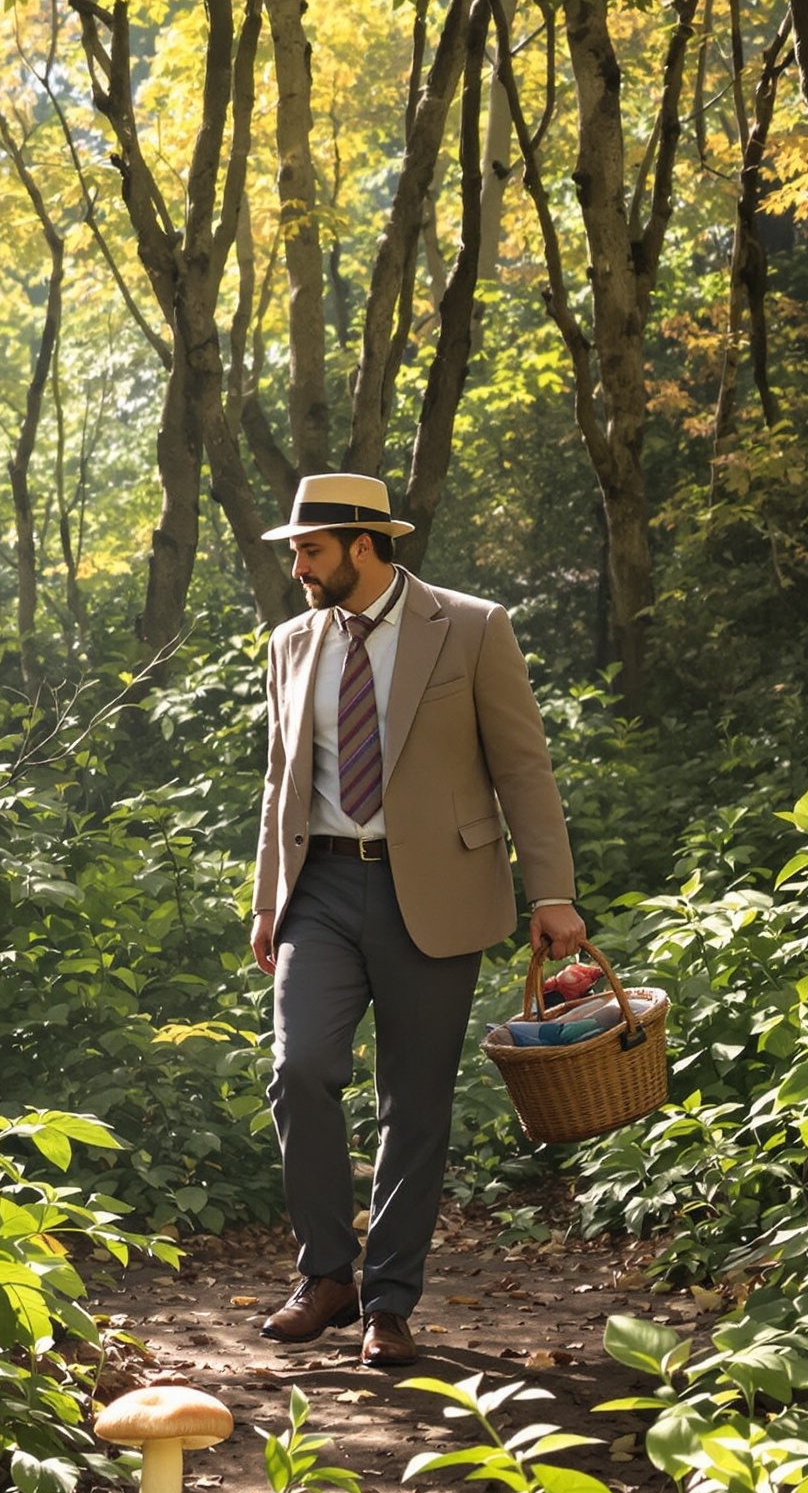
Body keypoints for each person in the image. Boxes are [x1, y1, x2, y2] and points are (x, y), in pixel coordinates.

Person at [250, 473, 586, 1367]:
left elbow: (523, 766)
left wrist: (552, 891)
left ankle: (388, 1302)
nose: (298, 568)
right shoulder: (291, 642)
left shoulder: (473, 628)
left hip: (433, 892)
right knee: (301, 1068)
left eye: (310, 550)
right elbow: (281, 781)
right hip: (318, 887)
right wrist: (265, 900)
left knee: (415, 1103)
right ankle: (326, 1275)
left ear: (365, 544)